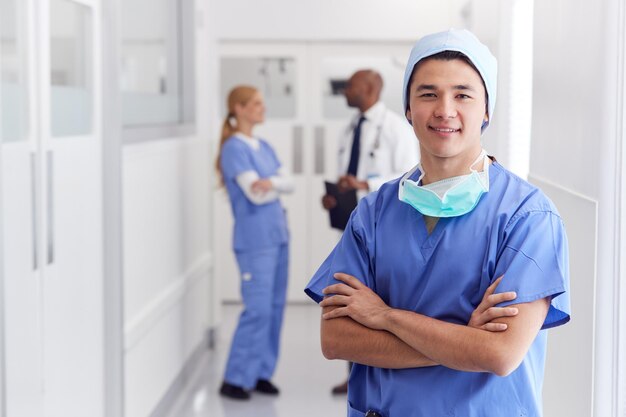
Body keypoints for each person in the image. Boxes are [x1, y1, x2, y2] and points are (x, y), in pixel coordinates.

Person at [306, 29, 570, 417]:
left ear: (486, 110)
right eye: (428, 94)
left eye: (463, 94)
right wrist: (464, 341)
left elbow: (499, 353)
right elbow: (337, 338)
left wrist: (385, 317)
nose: (445, 110)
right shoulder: (374, 214)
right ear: (408, 109)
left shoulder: (527, 217)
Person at [321, 69, 420, 394]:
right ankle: (354, 376)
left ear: (368, 88)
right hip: (352, 223)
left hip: (386, 226)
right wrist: (336, 194)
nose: (345, 90)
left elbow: (409, 175)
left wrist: (365, 184)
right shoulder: (349, 128)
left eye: (350, 85)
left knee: (376, 301)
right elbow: (348, 173)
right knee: (348, 298)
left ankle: (381, 371)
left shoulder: (395, 128)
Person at [216, 85, 294, 400]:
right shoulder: (234, 148)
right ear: (239, 108)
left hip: (278, 235)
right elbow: (253, 193)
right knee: (258, 309)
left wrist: (272, 183)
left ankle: (261, 372)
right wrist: (276, 184)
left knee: (275, 308)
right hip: (254, 241)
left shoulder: (263, 146)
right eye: (257, 104)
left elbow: (288, 183)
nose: (263, 108)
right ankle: (235, 377)